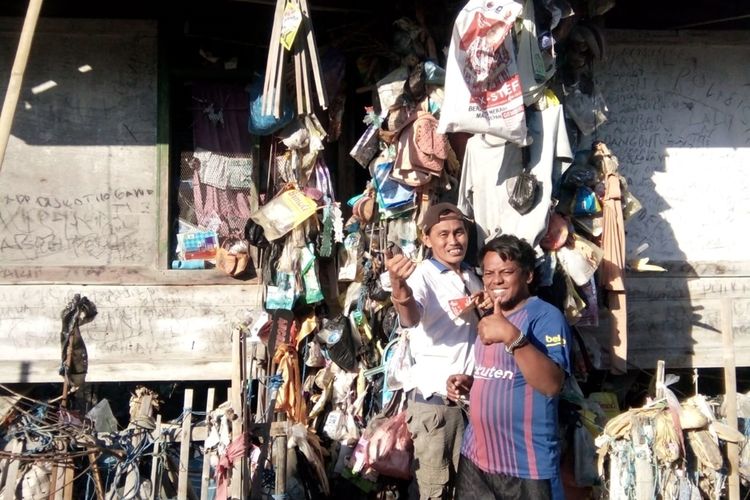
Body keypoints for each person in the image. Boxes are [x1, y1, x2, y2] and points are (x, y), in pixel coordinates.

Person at [447, 234, 572, 500]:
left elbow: (551, 384)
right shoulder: (490, 316)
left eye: (507, 272)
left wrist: (512, 337)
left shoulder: (546, 317)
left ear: (527, 276)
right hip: (476, 457)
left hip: (525, 465)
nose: (496, 280)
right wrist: (471, 381)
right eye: (489, 273)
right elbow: (502, 372)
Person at [386, 202, 484, 499]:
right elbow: (411, 317)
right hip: (436, 405)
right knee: (433, 490)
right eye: (443, 235)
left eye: (459, 232)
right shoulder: (422, 276)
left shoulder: (471, 275)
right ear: (427, 239)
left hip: (468, 400)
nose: (454, 241)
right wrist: (398, 286)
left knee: (467, 488)